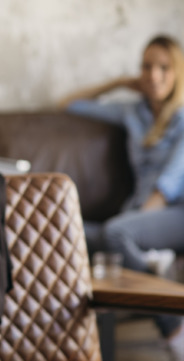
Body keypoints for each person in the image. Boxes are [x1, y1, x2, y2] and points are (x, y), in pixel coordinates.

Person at [59, 35, 184, 360]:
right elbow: (68, 104)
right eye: (146, 67)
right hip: (136, 215)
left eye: (163, 68)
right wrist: (118, 82)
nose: (153, 75)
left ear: (178, 72)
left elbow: (168, 185)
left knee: (116, 233)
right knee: (69, 230)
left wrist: (133, 225)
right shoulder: (132, 112)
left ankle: (175, 330)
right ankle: (150, 268)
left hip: (174, 212)